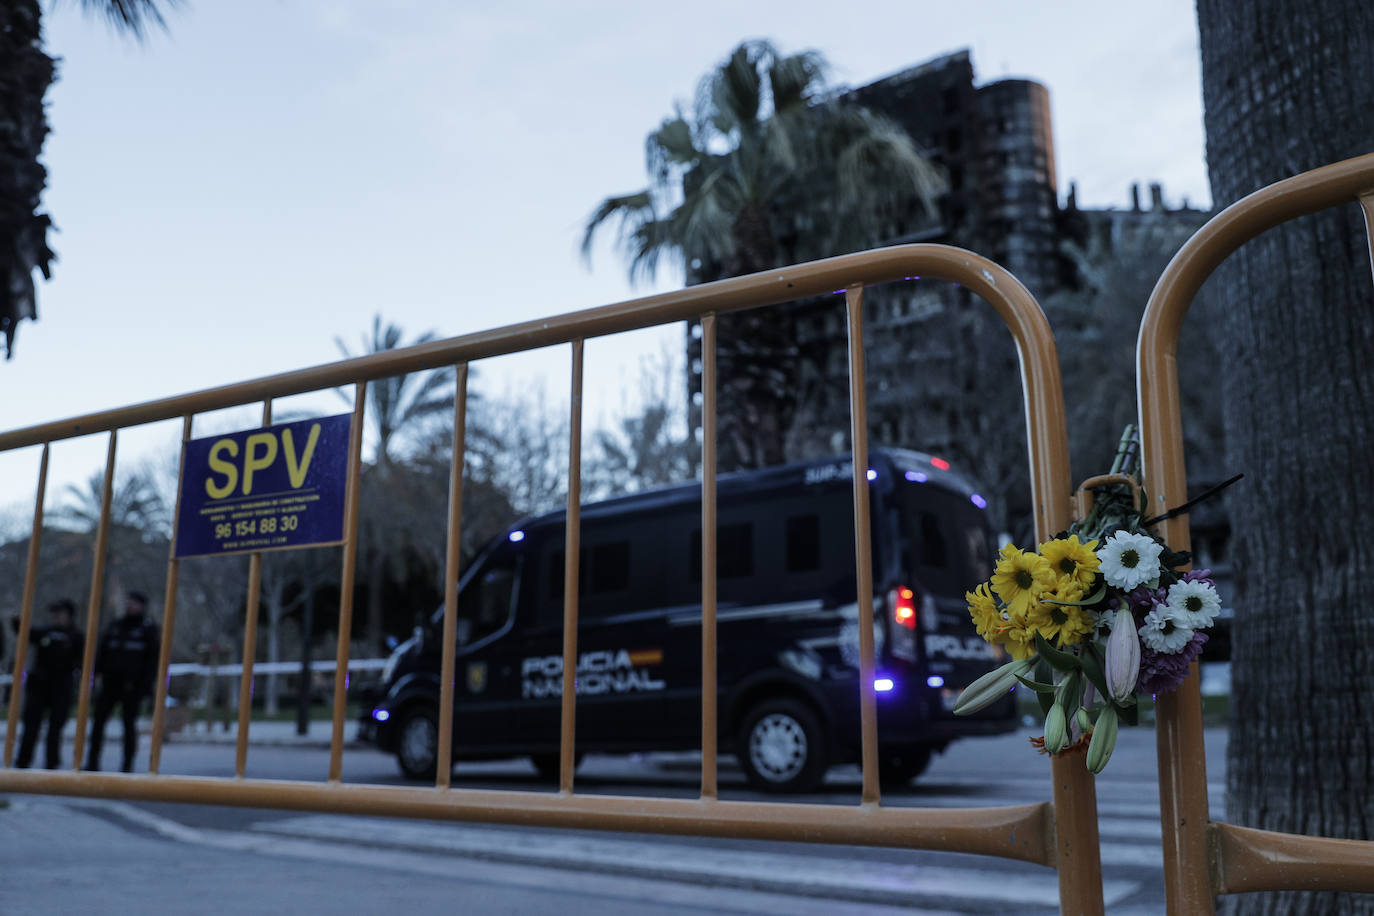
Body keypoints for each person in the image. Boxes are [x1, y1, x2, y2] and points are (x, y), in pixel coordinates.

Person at [85, 591, 160, 773]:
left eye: (134, 603)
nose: (130, 606)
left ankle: (127, 766)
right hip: (110, 683)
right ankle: (92, 763)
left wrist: (144, 687)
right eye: (128, 602)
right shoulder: (115, 626)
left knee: (128, 726)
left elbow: (152, 662)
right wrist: (96, 675)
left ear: (142, 606)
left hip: (132, 687)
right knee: (98, 724)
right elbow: (102, 653)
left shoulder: (148, 630)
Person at [10, 599, 84, 769]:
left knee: (55, 729)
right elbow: (26, 634)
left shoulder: (76, 636)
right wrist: (16, 622)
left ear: (69, 615)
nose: (56, 616)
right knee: (31, 727)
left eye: (60, 612)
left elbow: (82, 660)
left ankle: (52, 763)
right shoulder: (46, 632)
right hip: (39, 686)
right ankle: (23, 761)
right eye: (54, 612)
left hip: (61, 687)